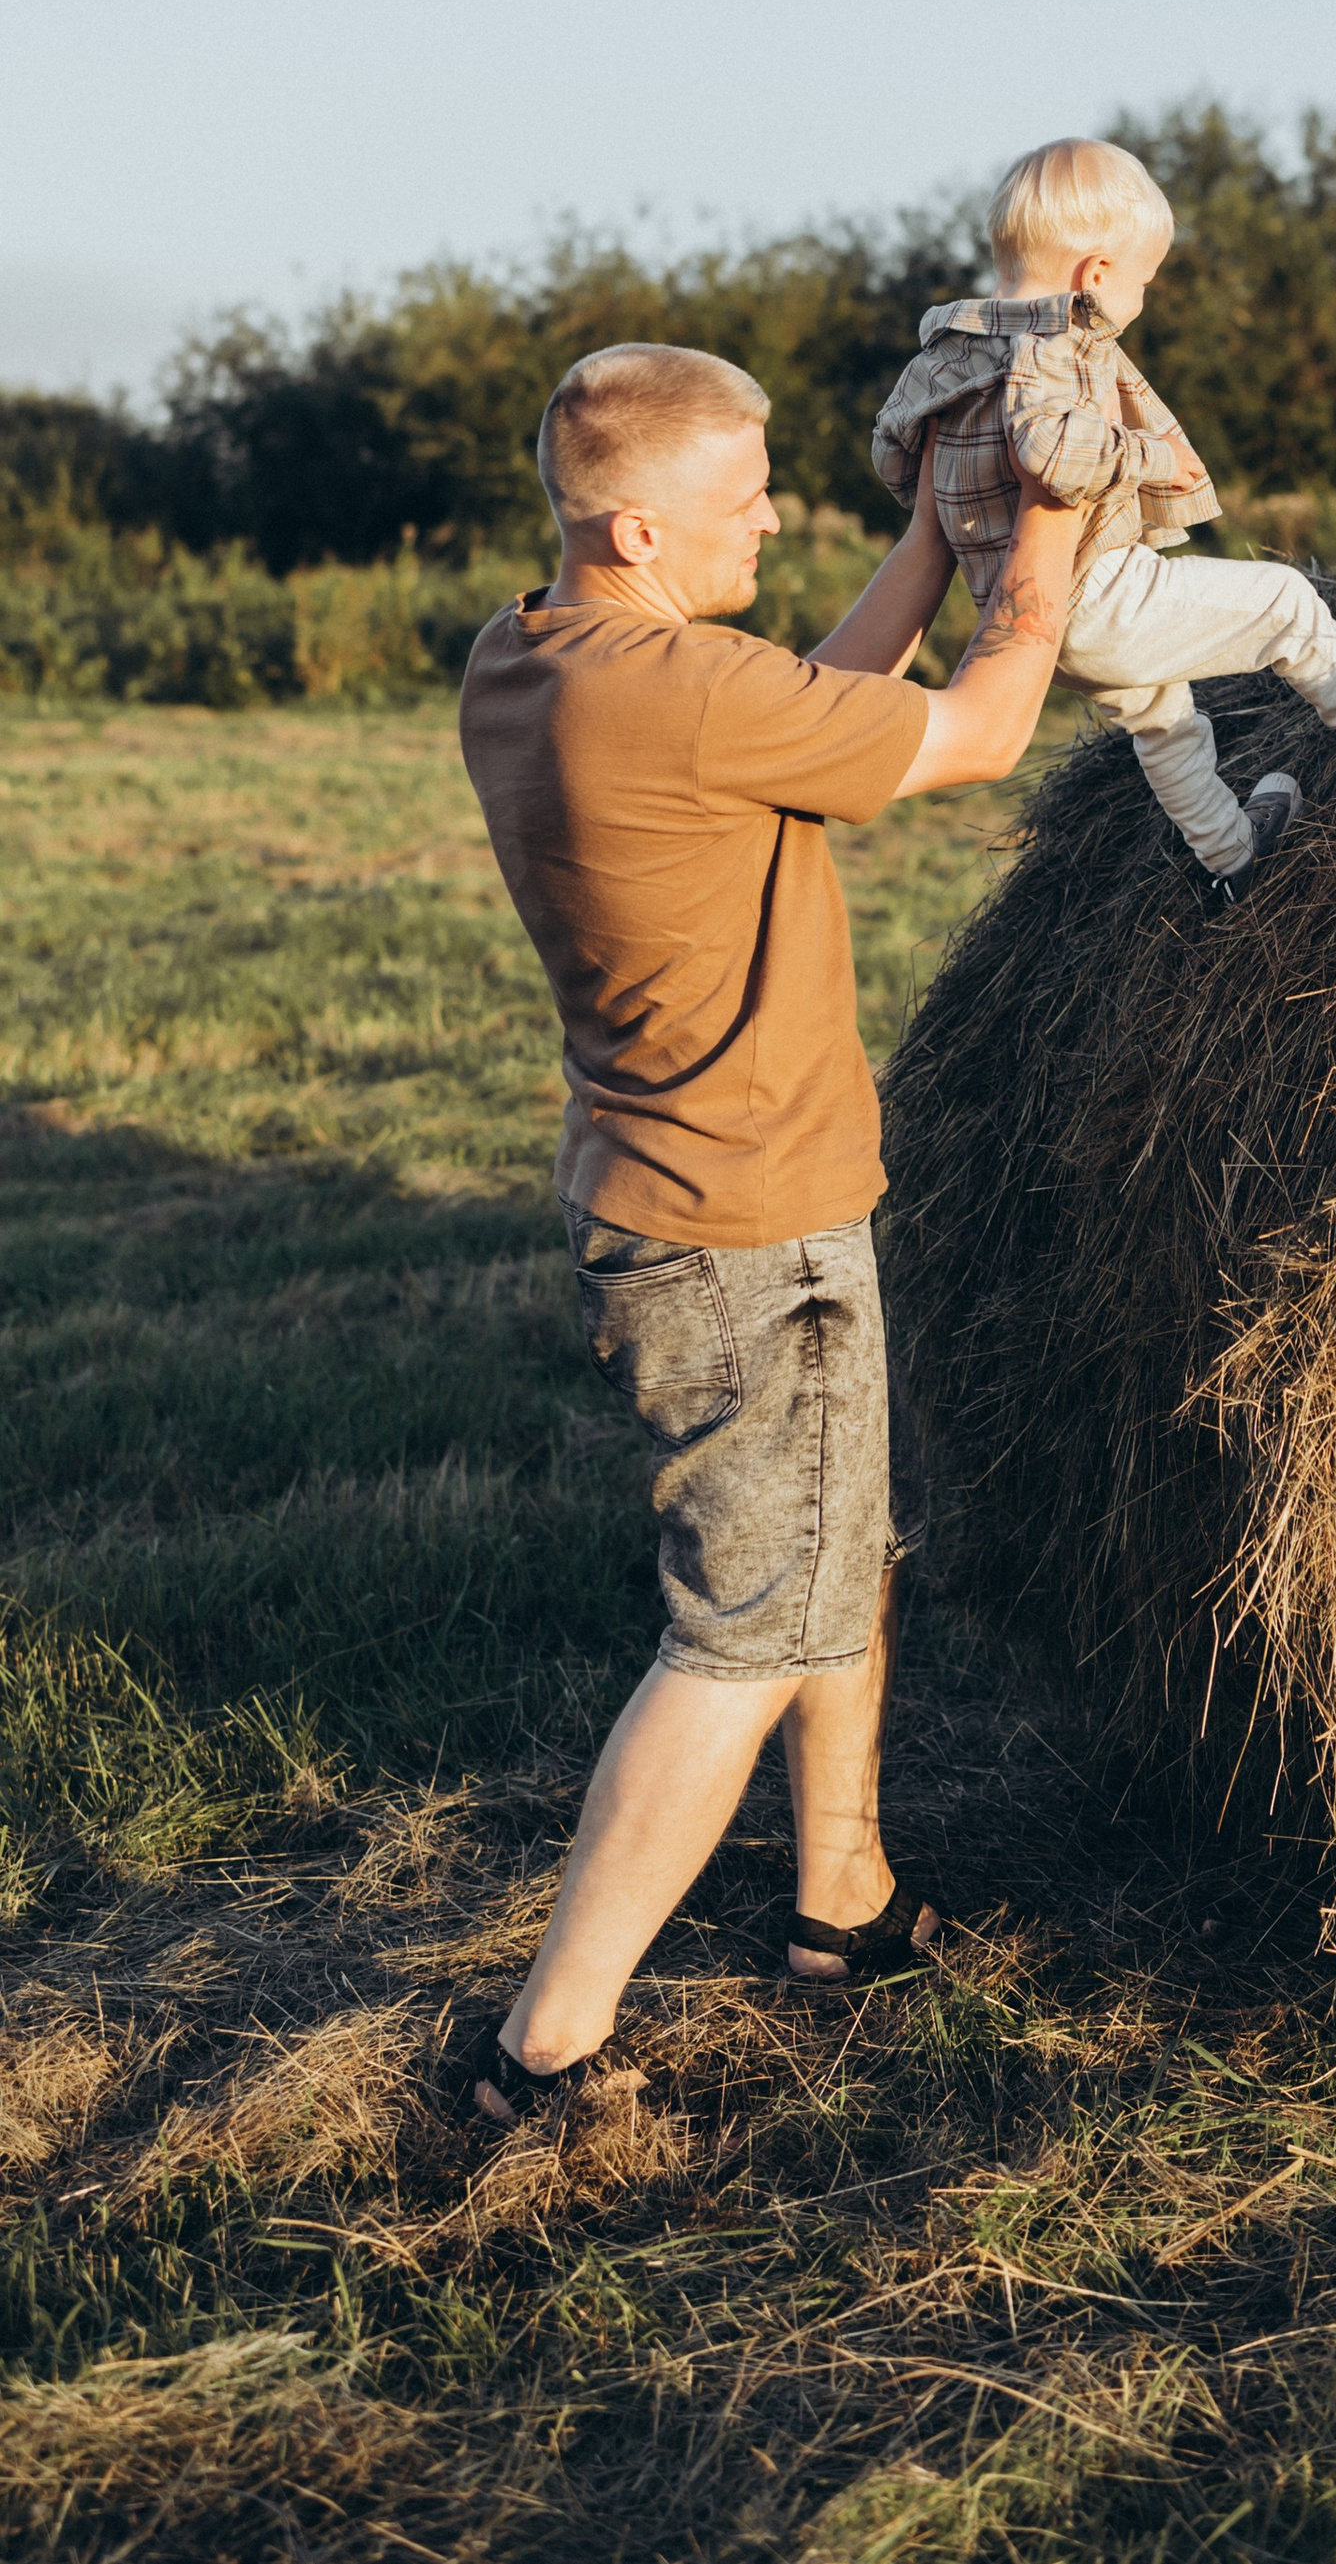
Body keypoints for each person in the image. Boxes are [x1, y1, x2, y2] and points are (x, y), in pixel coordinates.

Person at [456, 337, 1078, 2128]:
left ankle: (840, 1901)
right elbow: (981, 726)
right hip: (752, 1242)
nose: (775, 516)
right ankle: (546, 2049)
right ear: (644, 529)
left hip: (688, 1198)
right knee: (738, 1632)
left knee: (835, 1546)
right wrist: (1039, 532)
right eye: (747, 499)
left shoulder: (534, 655)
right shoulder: (685, 698)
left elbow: (796, 704)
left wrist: (930, 549)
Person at [871, 135, 1336, 896]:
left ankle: (1231, 854)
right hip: (1096, 591)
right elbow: (1050, 451)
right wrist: (1154, 458)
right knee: (1287, 602)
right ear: (1096, 275)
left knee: (1164, 718)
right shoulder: (1057, 341)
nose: (1141, 299)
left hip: (1023, 626)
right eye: (1145, 282)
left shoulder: (950, 351)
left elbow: (893, 451)